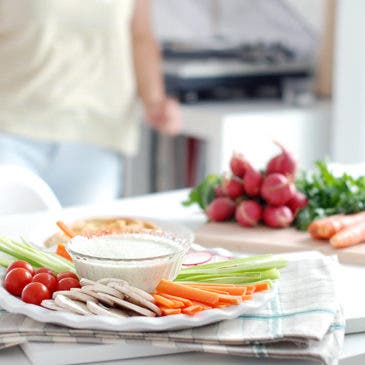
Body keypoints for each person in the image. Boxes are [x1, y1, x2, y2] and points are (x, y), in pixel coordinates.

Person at [0, 0, 181, 206]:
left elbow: (139, 35)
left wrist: (154, 100)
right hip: (11, 130)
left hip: (97, 135)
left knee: (83, 237)